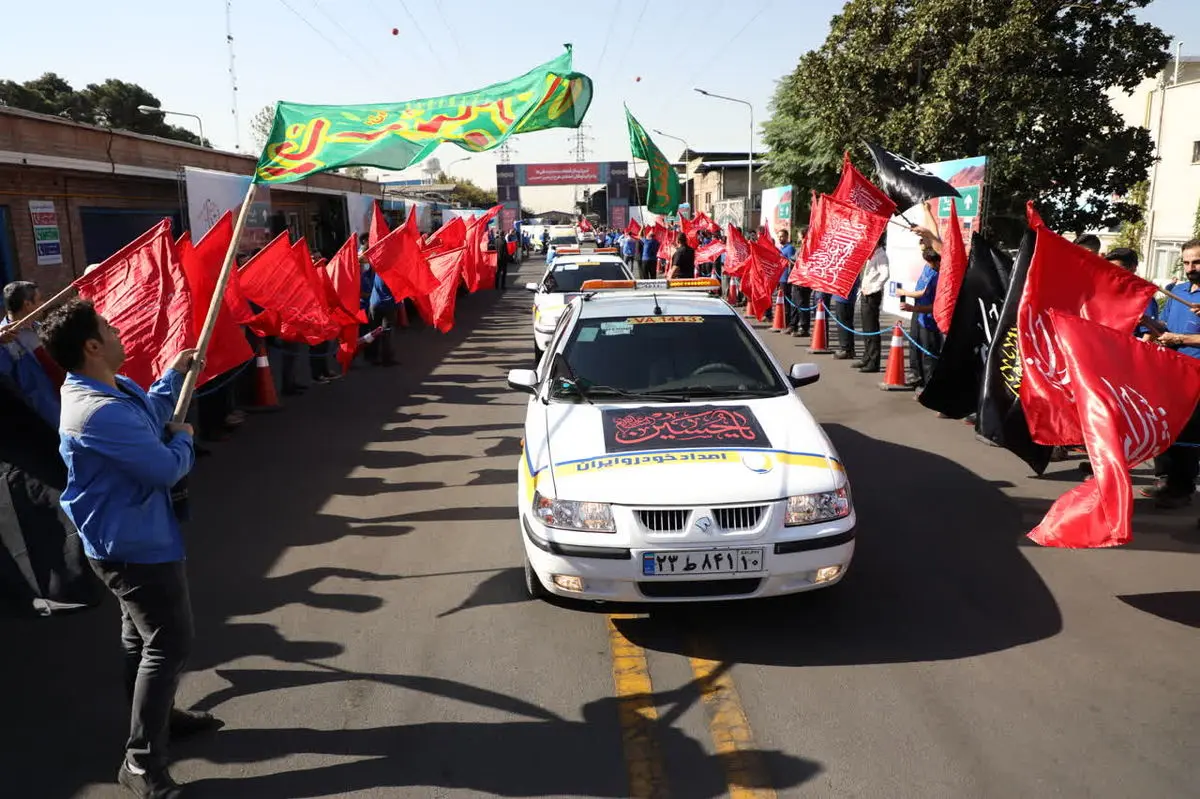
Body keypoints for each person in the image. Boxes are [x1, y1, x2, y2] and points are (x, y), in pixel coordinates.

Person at [39, 299, 220, 798]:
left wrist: (172, 376)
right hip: (132, 545)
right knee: (169, 643)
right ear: (92, 347)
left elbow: (150, 416)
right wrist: (184, 439)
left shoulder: (111, 389)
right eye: (109, 329)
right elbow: (163, 465)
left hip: (133, 533)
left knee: (140, 639)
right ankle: (142, 763)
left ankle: (157, 721)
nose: (119, 333)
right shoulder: (93, 410)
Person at [1141, 239, 1200, 509]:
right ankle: (1165, 481)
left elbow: (1179, 334)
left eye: (1197, 262)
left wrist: (1180, 338)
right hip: (1171, 371)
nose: (1191, 268)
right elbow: (1165, 324)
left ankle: (1182, 487)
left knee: (1188, 433)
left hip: (1196, 375)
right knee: (1167, 427)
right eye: (1187, 262)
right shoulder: (1178, 291)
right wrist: (1147, 322)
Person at [897, 248, 943, 389]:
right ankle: (917, 377)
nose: (929, 265)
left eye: (931, 263)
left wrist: (906, 294)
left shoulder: (939, 276)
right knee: (915, 346)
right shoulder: (928, 267)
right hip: (920, 314)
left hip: (930, 318)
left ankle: (930, 387)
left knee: (928, 353)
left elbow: (928, 297)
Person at [855, 232, 890, 373]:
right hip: (865, 292)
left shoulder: (881, 255)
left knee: (871, 328)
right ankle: (867, 357)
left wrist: (872, 289)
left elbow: (885, 274)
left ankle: (873, 361)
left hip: (872, 295)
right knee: (866, 328)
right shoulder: (872, 254)